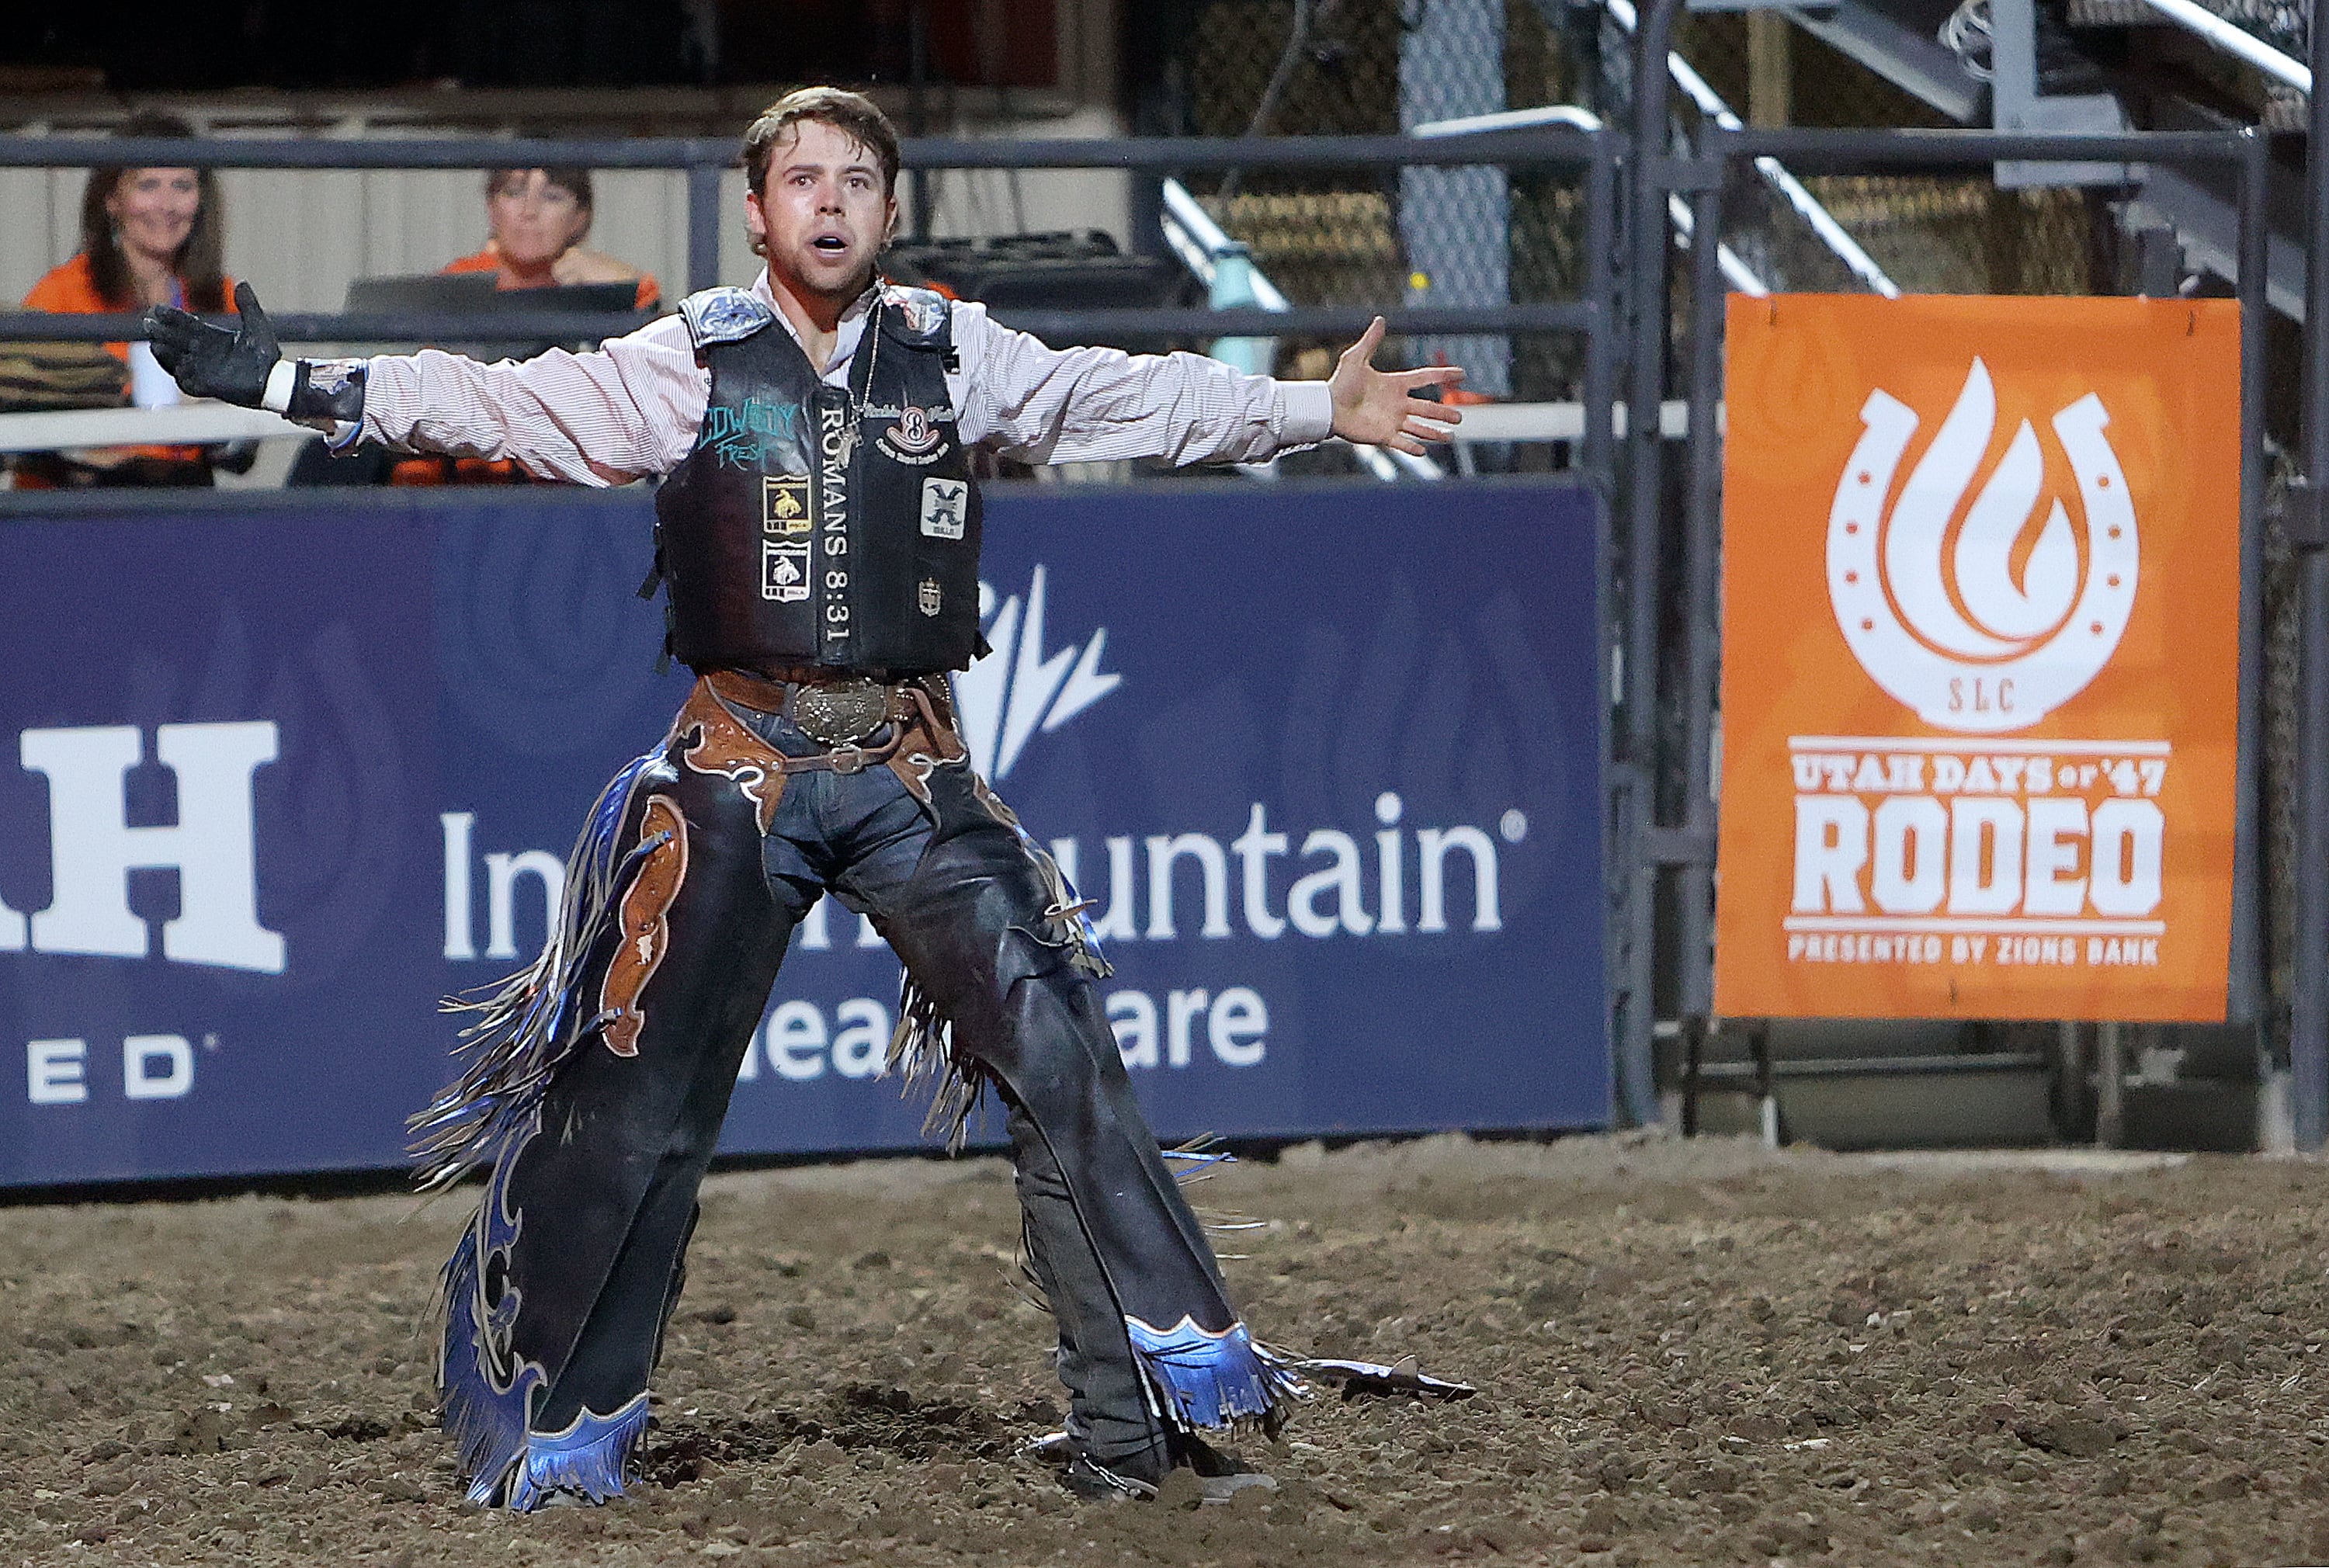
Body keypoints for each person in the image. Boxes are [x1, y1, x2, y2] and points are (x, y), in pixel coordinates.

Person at [146, 85, 1460, 1511]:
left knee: (1063, 1062)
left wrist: (1308, 406)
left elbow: (1115, 391)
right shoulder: (688, 359)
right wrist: (296, 390)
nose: (830, 202)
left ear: (890, 213)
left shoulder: (956, 351)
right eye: (803, 180)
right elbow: (504, 401)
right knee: (638, 1104)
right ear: (761, 210)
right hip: (737, 767)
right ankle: (559, 1448)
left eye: (855, 181)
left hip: (908, 767)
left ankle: (1129, 1444)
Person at [17, 109, 243, 487]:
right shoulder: (63, 292)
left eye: (183, 186)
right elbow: (21, 415)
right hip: (80, 500)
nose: (167, 205)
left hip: (182, 495)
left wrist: (209, 410)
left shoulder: (220, 294)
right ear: (112, 200)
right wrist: (100, 447)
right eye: (148, 185)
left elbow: (241, 447)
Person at [444, 166, 661, 310]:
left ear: (579, 218)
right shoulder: (456, 285)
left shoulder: (604, 284)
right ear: (491, 208)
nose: (530, 211)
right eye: (514, 192)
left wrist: (625, 288)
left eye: (552, 197)